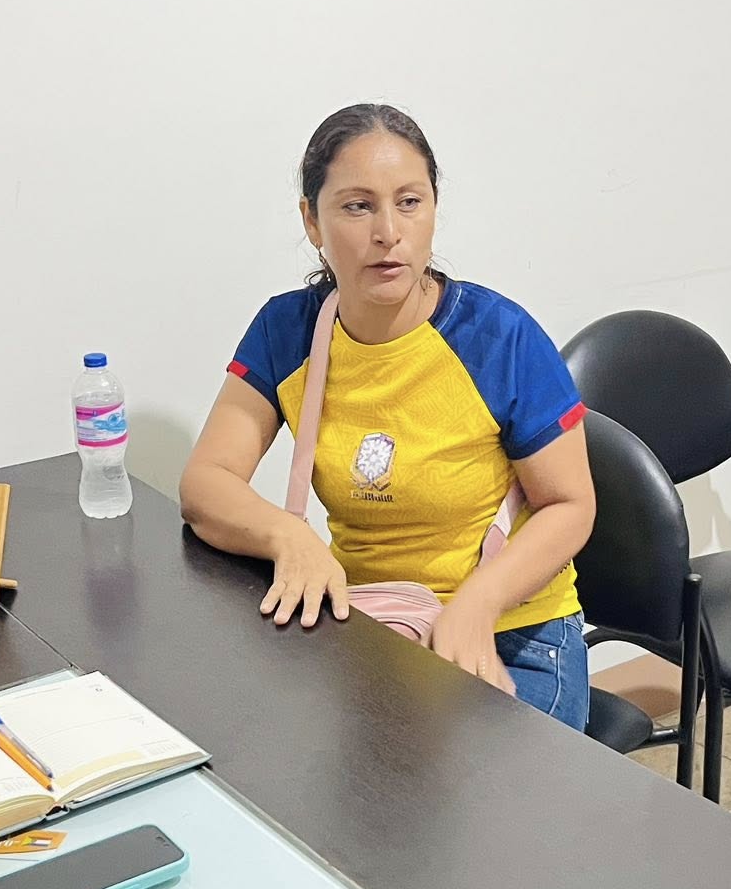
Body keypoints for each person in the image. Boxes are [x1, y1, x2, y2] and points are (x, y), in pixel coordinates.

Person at [180, 104, 597, 728]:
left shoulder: (499, 337)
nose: (388, 232)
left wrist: (477, 605)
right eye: (357, 206)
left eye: (409, 202)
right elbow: (205, 481)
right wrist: (289, 537)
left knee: (459, 789)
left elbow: (570, 505)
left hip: (513, 633)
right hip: (370, 624)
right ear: (312, 221)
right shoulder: (287, 331)